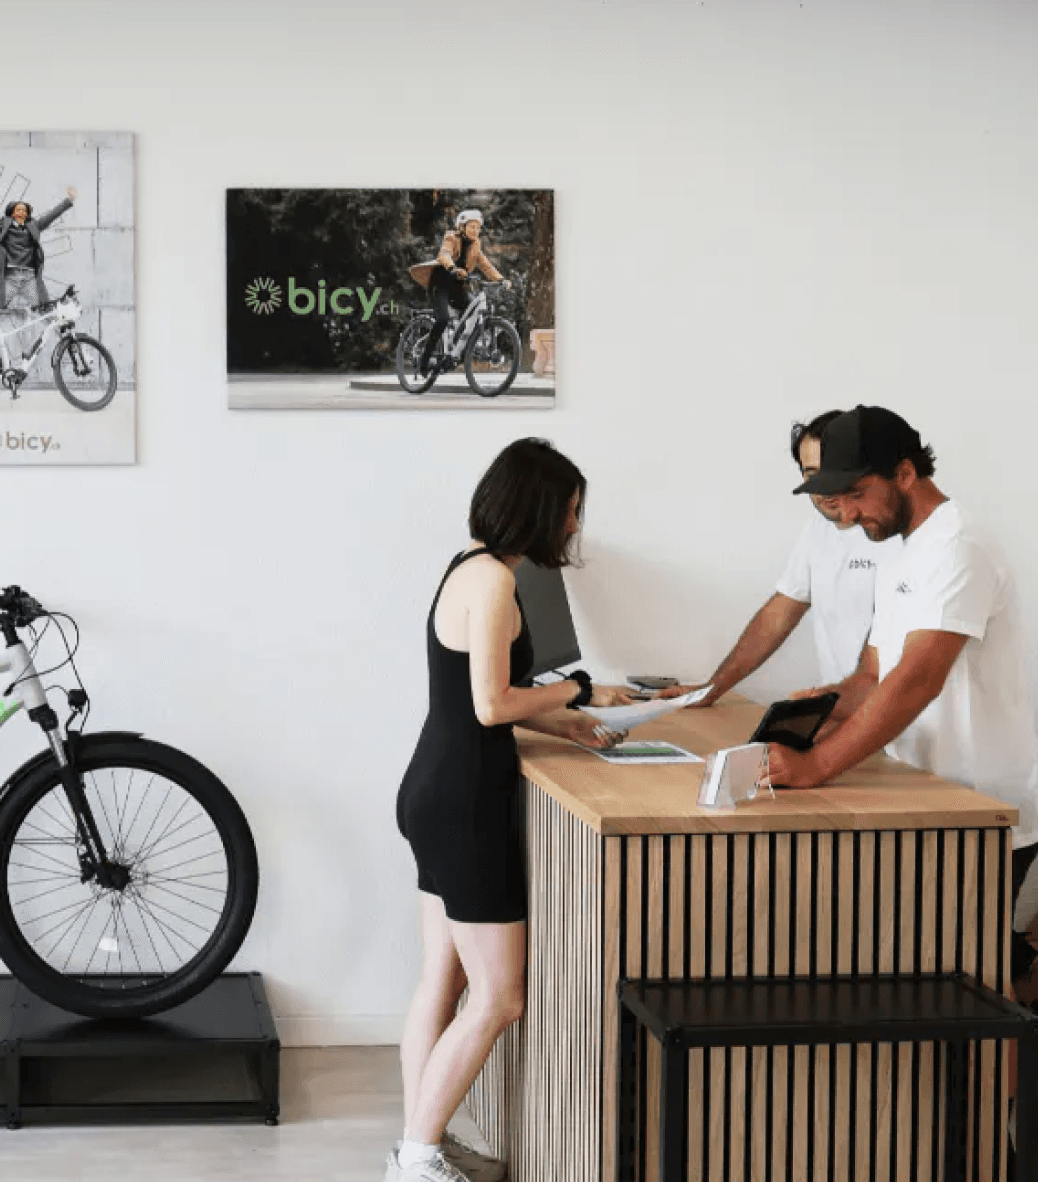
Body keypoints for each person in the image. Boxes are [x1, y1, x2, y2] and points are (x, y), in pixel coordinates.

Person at [389, 438, 631, 1182]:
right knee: (501, 996)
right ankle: (420, 1158)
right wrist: (577, 691)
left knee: (444, 979)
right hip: (465, 804)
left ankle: (415, 1144)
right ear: (538, 510)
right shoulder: (495, 581)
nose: (572, 528)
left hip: (435, 788)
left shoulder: (468, 569)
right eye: (569, 513)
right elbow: (491, 703)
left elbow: (479, 703)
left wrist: (562, 721)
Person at [766, 405, 1038, 996]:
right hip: (929, 803)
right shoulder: (900, 552)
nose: (850, 513)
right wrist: (818, 708)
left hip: (984, 812)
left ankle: (1004, 1094)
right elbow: (873, 674)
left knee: (980, 990)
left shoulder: (958, 545)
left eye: (859, 494)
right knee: (929, 986)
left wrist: (816, 765)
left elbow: (917, 680)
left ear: (906, 473)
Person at [661, 410, 894, 705]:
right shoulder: (818, 529)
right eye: (812, 473)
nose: (825, 485)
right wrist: (712, 689)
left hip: (902, 726)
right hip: (852, 719)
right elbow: (779, 614)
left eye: (835, 470)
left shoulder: (903, 533)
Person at [408, 209, 508, 378]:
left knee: (474, 313)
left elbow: (486, 265)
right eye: (471, 226)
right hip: (440, 284)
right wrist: (453, 268)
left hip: (458, 287)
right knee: (443, 319)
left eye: (478, 227)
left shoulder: (476, 245)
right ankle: (424, 361)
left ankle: (455, 353)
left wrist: (501, 279)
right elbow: (444, 254)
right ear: (462, 227)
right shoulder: (451, 237)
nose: (475, 230)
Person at [0, 187, 77, 311]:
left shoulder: (34, 226)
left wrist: (68, 201)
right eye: (18, 210)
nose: (21, 213)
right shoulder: (4, 227)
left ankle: (59, 329)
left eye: (24, 211)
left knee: (44, 309)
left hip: (29, 277)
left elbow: (51, 216)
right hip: (10, 277)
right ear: (12, 213)